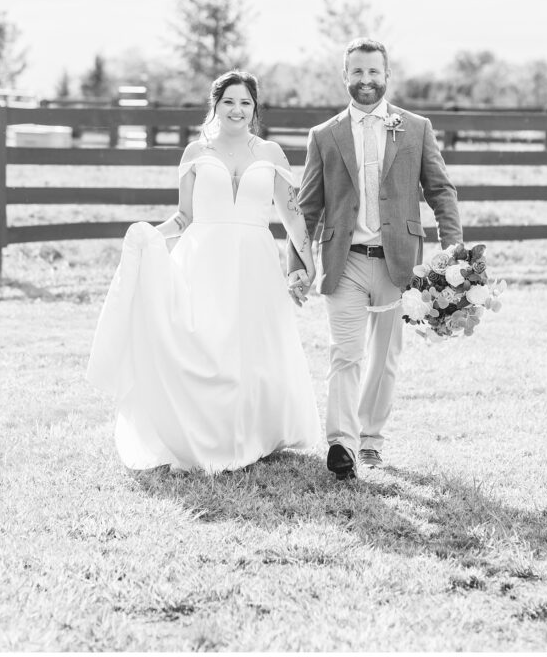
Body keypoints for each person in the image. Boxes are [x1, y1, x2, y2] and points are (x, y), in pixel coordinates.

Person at [87, 70, 321, 472]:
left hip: (255, 260)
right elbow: (184, 217)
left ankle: (255, 432)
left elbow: (294, 219)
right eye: (229, 101)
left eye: (245, 102)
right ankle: (207, 432)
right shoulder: (195, 153)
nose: (237, 109)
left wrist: (307, 264)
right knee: (209, 344)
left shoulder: (272, 154)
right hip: (204, 258)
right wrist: (148, 237)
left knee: (254, 346)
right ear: (216, 105)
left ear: (255, 109)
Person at [287, 38, 462, 481]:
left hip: (398, 263)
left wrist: (452, 248)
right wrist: (297, 264)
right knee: (345, 354)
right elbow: (307, 208)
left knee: (384, 357)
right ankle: (341, 444)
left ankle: (369, 442)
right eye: (357, 72)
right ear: (345, 77)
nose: (366, 81)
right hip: (343, 261)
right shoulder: (324, 136)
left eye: (374, 72)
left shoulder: (416, 128)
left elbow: (440, 191)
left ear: (387, 75)